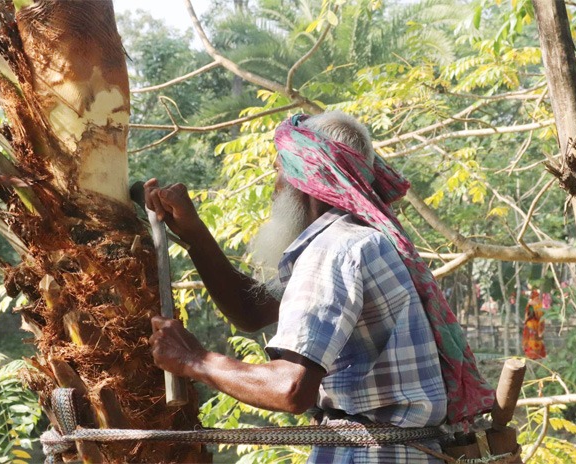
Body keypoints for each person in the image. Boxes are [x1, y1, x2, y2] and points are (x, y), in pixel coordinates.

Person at [145, 111, 494, 462]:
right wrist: (191, 231)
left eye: (278, 173)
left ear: (304, 178)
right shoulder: (363, 240)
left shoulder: (334, 249)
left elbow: (291, 388)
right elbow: (251, 311)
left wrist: (194, 359)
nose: (275, 188)